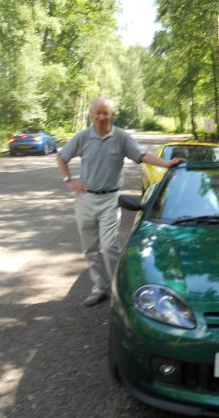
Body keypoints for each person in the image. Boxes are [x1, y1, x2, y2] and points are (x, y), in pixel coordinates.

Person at [57, 97, 185, 306]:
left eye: (105, 113)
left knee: (109, 247)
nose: (101, 117)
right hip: (85, 199)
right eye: (97, 113)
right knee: (90, 249)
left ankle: (120, 287)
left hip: (109, 199)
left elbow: (143, 155)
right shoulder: (82, 137)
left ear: (112, 115)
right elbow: (62, 158)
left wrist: (166, 163)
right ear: (92, 115)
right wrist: (68, 180)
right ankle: (100, 287)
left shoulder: (122, 137)